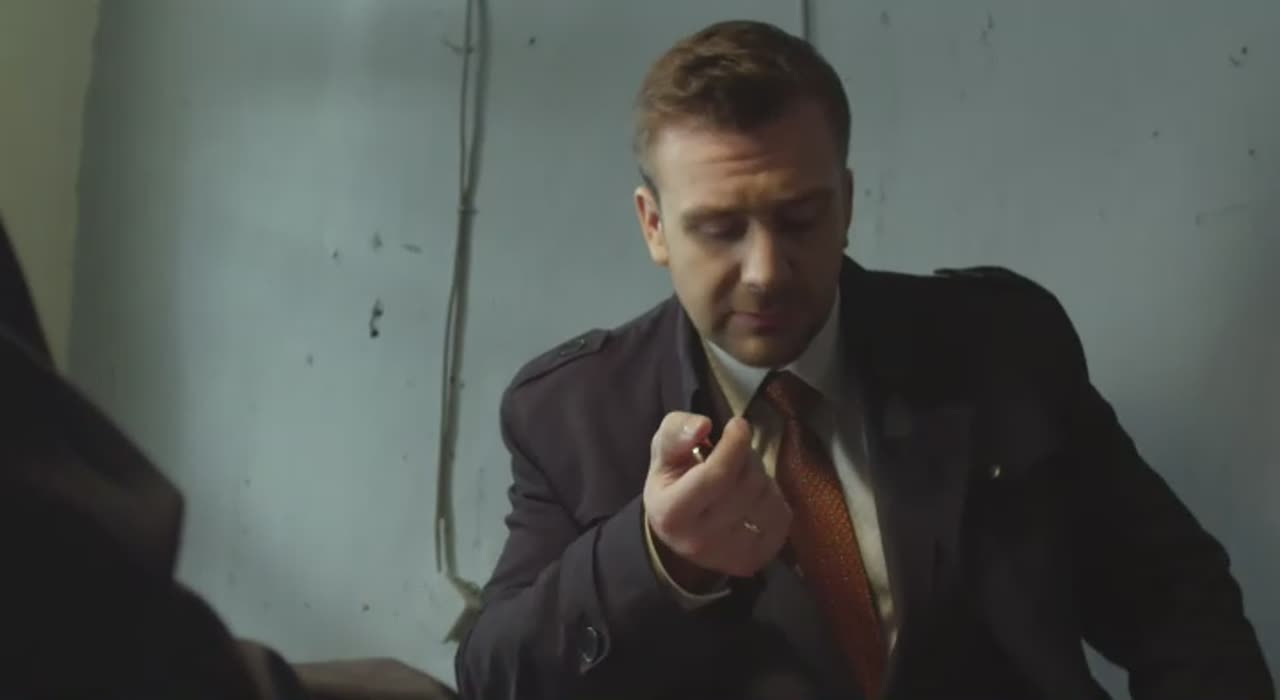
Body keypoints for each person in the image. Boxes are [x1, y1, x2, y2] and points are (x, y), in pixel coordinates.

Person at [454, 20, 1272, 700]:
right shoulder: (573, 415)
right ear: (653, 226)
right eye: (720, 228)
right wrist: (654, 558)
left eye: (800, 218)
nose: (765, 271)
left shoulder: (1000, 347)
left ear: (846, 203)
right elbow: (497, 677)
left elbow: (1175, 596)